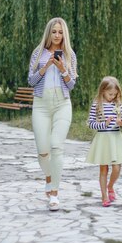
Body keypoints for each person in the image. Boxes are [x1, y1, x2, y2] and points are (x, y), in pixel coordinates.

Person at [28, 17, 78, 211]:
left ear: (64, 34)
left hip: (62, 105)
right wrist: (47, 65)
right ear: (48, 33)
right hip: (41, 105)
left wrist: (63, 68)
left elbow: (72, 84)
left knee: (57, 147)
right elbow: (31, 82)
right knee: (43, 150)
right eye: (54, 32)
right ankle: (49, 178)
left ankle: (54, 194)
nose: (57, 36)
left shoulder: (69, 54)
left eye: (60, 32)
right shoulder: (38, 53)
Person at [86, 76, 122, 207]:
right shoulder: (97, 104)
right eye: (110, 94)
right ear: (102, 91)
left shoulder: (117, 104)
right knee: (103, 169)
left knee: (117, 168)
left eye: (115, 94)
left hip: (116, 138)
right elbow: (90, 123)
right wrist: (104, 124)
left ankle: (110, 186)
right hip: (103, 140)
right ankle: (104, 196)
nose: (112, 96)